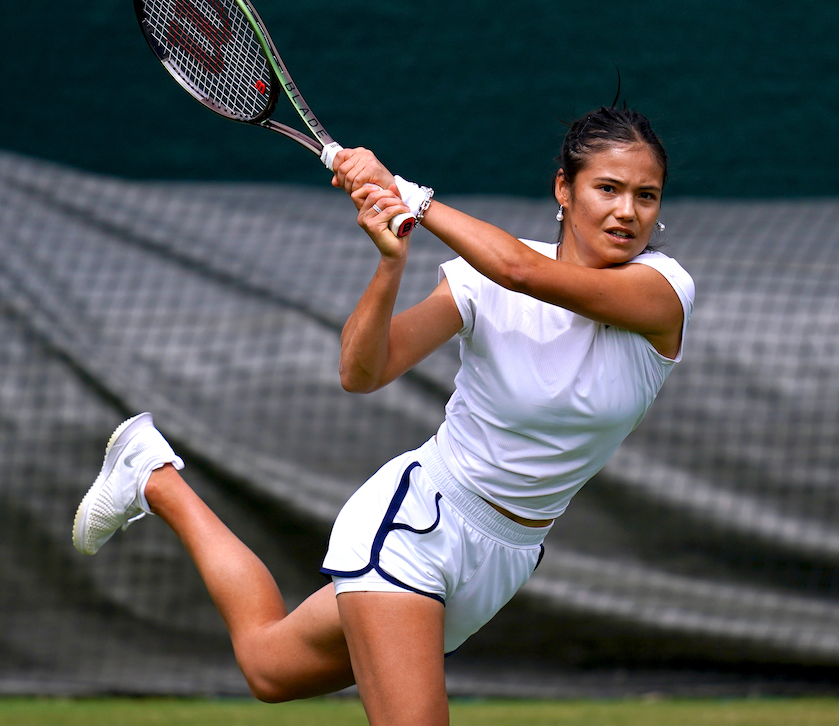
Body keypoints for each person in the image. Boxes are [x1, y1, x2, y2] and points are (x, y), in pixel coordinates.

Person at [72, 105, 694, 725]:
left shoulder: (663, 290)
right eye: (607, 189)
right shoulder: (477, 284)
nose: (627, 211)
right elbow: (361, 373)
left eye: (647, 196)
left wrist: (408, 194)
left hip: (508, 555)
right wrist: (391, 264)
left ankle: (153, 474)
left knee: (267, 665)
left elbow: (521, 270)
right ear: (564, 187)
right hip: (419, 523)